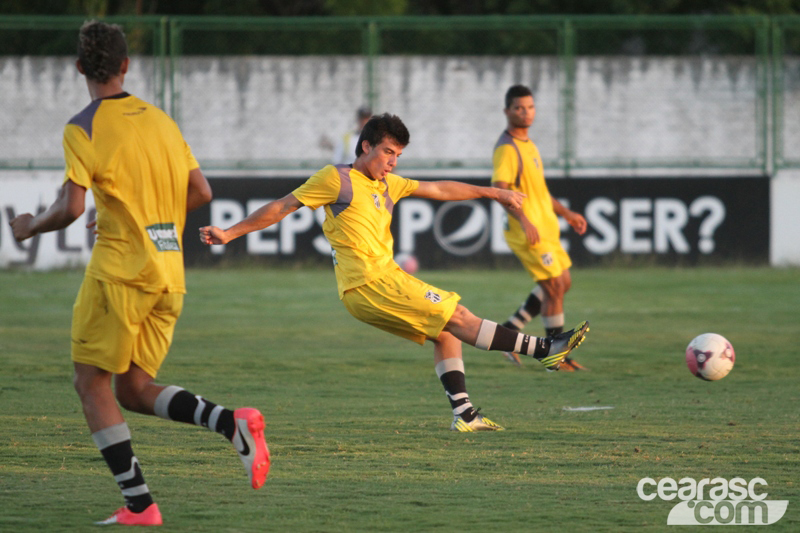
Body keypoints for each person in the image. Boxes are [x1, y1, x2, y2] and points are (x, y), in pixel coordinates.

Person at [10, 21, 269, 527]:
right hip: (168, 272)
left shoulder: (82, 126)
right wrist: (145, 218)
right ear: (127, 65)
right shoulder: (160, 120)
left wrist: (28, 227)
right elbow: (202, 192)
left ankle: (140, 505)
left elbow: (68, 207)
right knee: (132, 387)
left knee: (90, 383)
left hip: (120, 272)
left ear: (80, 67)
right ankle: (231, 423)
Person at [200, 113, 589, 433]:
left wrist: (495, 193)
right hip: (368, 284)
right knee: (457, 316)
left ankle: (465, 415)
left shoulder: (389, 184)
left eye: (398, 154)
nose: (392, 161)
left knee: (446, 331)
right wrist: (230, 233)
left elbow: (439, 190)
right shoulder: (336, 179)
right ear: (366, 146)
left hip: (386, 279)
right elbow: (283, 207)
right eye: (388, 151)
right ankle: (547, 350)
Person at [491, 85, 589, 370]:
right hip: (528, 231)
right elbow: (500, 189)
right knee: (555, 286)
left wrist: (567, 213)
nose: (526, 113)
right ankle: (555, 356)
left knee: (562, 283)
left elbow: (540, 191)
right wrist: (523, 220)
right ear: (507, 112)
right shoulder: (507, 148)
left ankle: (511, 329)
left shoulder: (529, 145)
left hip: (546, 227)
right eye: (519, 108)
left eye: (530, 107)